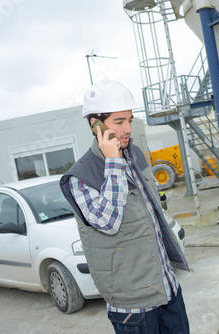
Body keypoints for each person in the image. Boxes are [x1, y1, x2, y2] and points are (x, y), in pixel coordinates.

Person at [60, 79, 190, 334]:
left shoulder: (136, 154)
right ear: (94, 124)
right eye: (119, 122)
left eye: (130, 120)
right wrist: (113, 162)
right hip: (132, 305)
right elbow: (109, 223)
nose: (128, 129)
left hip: (167, 287)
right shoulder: (80, 177)